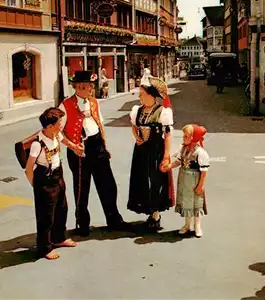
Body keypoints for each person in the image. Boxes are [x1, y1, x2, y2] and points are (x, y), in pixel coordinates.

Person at [59, 70, 126, 236]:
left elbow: (99, 124)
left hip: (98, 147)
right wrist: (73, 146)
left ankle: (114, 219)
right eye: (89, 86)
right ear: (80, 86)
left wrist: (105, 145)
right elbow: (58, 132)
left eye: (91, 86)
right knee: (82, 189)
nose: (91, 89)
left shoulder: (94, 102)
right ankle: (82, 225)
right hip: (79, 151)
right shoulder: (65, 105)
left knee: (108, 185)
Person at [25, 107, 77, 260]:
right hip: (45, 179)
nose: (61, 125)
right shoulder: (37, 144)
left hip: (57, 175)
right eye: (58, 123)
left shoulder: (56, 135)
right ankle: (44, 248)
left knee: (62, 208)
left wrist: (75, 148)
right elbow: (29, 169)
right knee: (45, 217)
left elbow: (64, 140)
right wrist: (37, 186)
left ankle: (59, 237)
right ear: (49, 126)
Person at [128, 76, 174, 232]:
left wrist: (167, 155)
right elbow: (134, 126)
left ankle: (155, 214)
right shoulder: (137, 110)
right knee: (142, 180)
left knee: (155, 181)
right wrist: (137, 137)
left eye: (141, 93)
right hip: (141, 150)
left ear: (150, 95)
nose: (139, 96)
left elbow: (167, 135)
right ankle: (148, 210)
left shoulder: (163, 112)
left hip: (156, 150)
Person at [162, 124, 209, 238]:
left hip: (194, 179)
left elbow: (204, 171)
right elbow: (178, 161)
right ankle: (187, 225)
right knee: (186, 202)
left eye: (186, 136)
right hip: (184, 179)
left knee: (196, 202)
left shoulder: (200, 153)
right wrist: (169, 166)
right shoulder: (183, 149)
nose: (184, 138)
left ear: (194, 138)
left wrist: (200, 185)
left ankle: (197, 225)